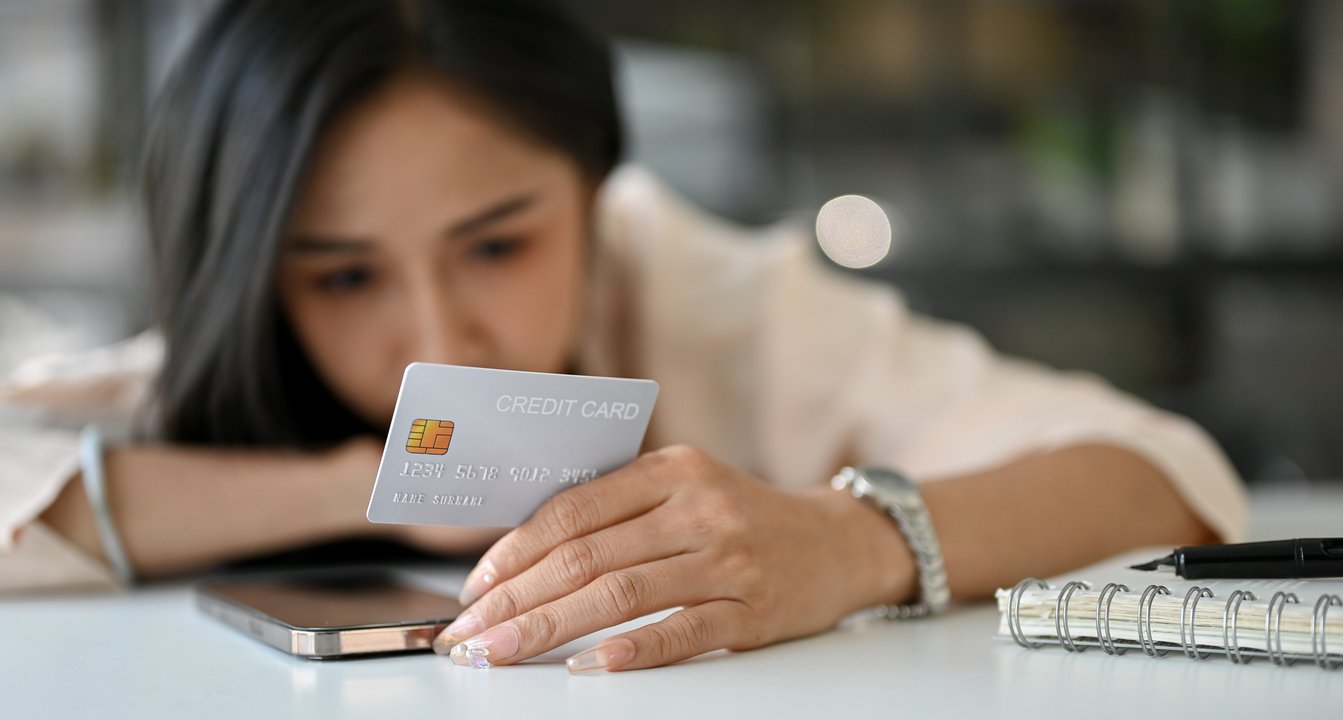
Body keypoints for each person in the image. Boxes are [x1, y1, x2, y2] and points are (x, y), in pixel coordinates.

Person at [0, 0, 1244, 673]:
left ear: (597, 192)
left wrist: (849, 543)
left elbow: (1161, 473)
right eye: (342, 277)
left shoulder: (711, 296)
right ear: (253, 277)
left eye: (498, 245)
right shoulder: (213, 363)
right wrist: (373, 487)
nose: (443, 336)